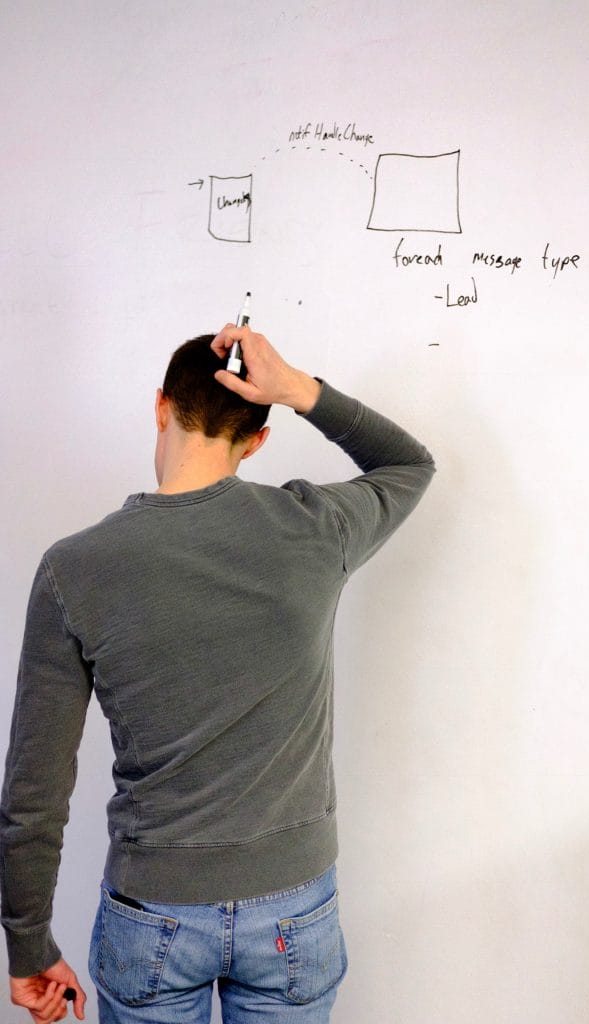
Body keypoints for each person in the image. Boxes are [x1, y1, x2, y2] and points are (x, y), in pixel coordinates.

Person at [0, 323, 435, 1023]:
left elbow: (35, 791)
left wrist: (27, 945)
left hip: (154, 917)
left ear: (160, 405)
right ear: (258, 438)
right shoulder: (313, 526)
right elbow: (407, 464)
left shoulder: (73, 569)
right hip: (294, 904)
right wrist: (297, 389)